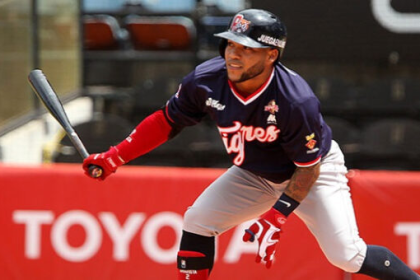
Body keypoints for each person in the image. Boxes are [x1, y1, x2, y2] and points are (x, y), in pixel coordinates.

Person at [82, 9, 420, 280]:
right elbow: (166, 121)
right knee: (197, 220)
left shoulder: (294, 99)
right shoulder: (205, 81)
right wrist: (115, 157)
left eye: (246, 48)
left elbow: (308, 168)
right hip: (254, 173)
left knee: (347, 256)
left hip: (313, 173)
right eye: (231, 44)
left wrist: (278, 214)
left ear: (272, 54)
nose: (234, 54)